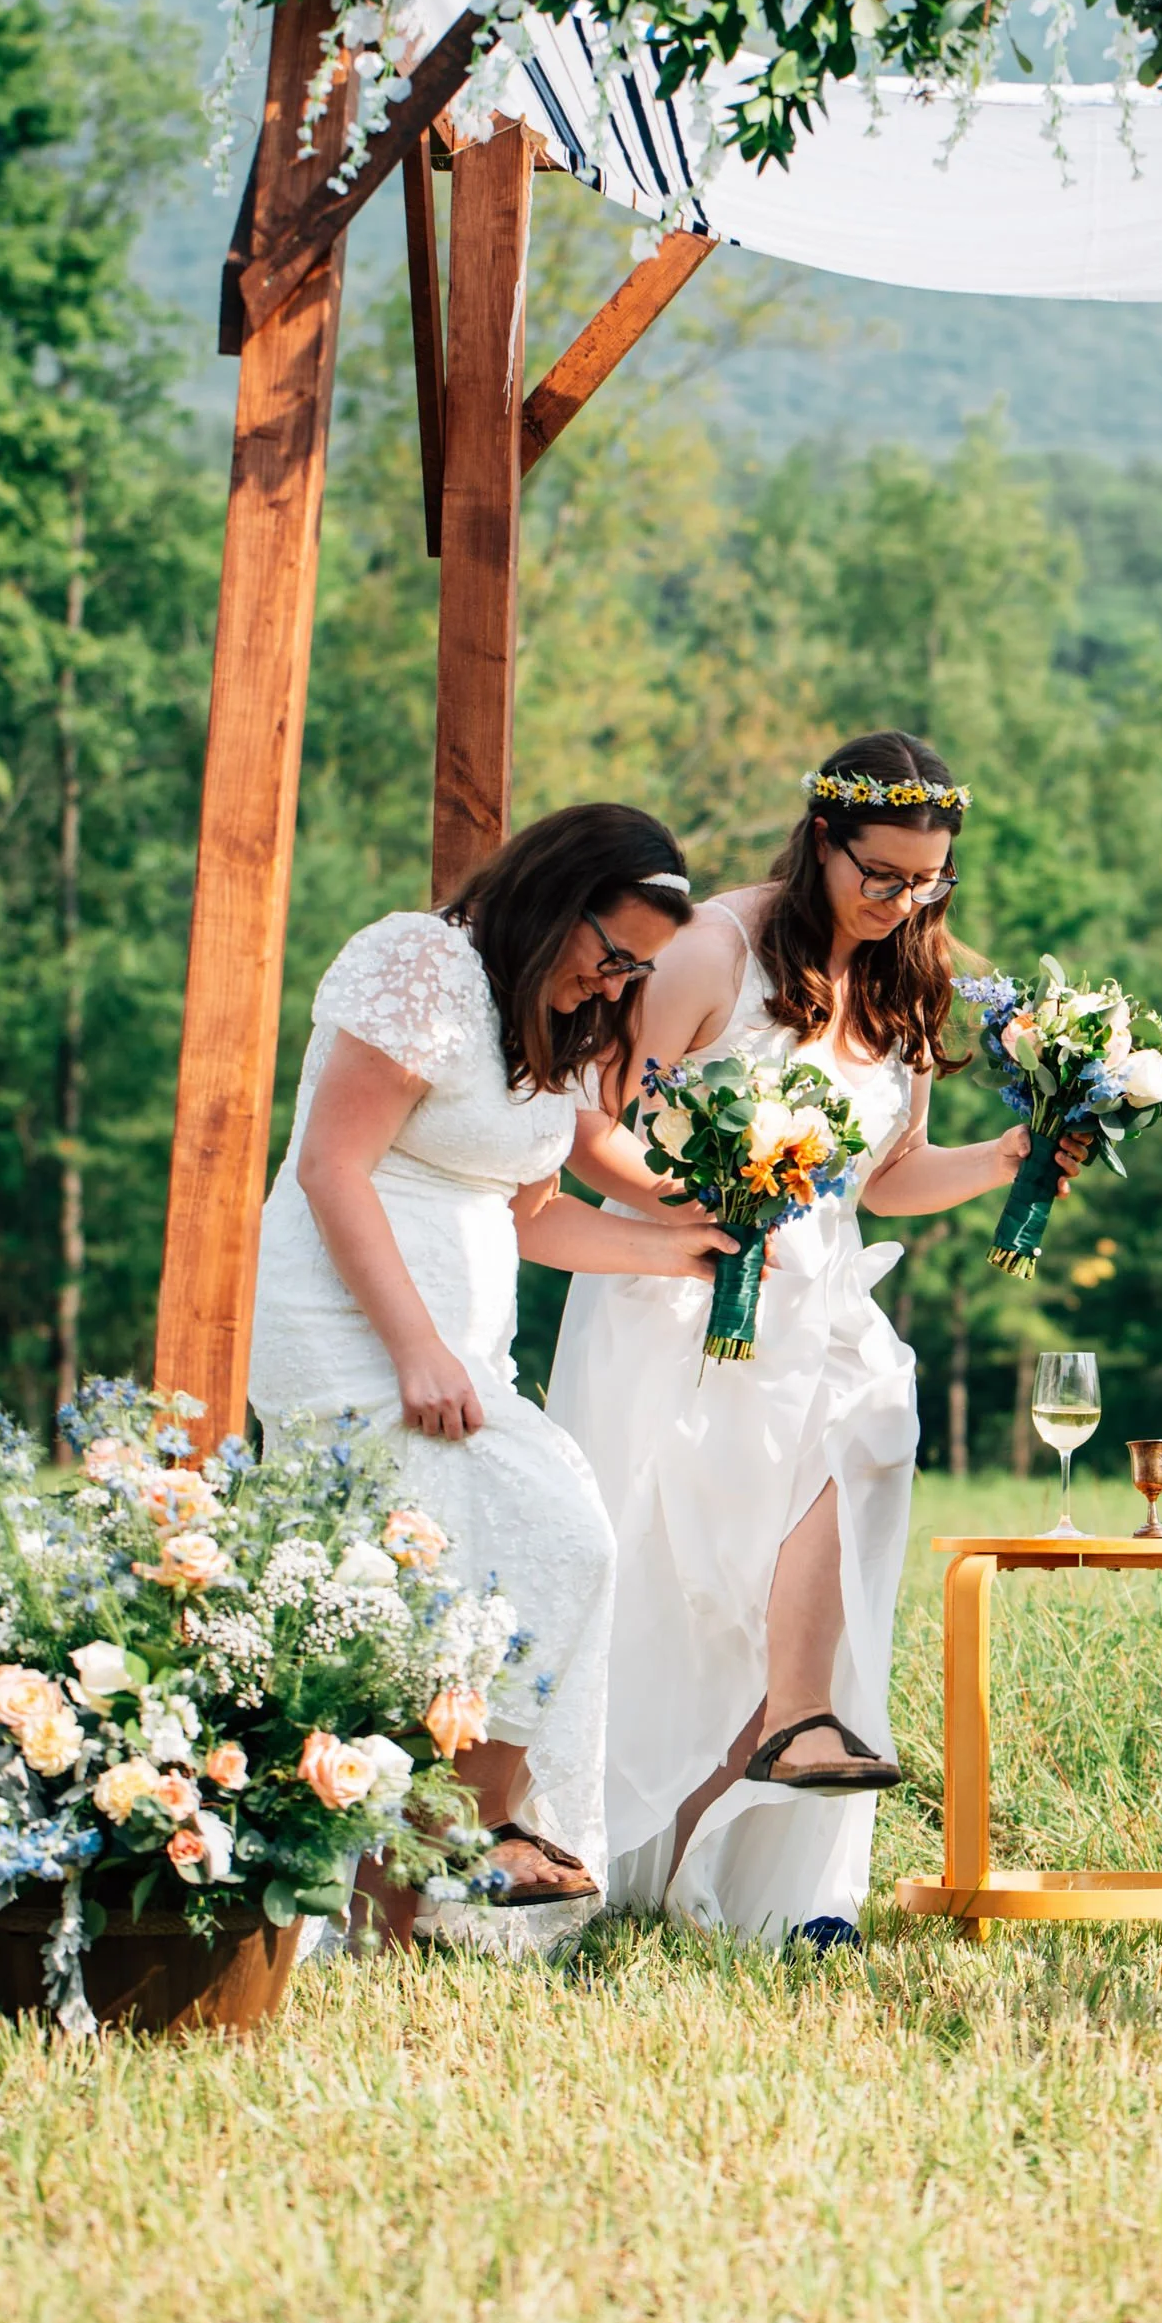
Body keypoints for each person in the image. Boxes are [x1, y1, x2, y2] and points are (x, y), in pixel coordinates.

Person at [550, 731, 1080, 1950]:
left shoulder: (908, 983)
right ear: (821, 841)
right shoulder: (714, 952)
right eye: (881, 875)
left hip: (826, 1299)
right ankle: (667, 1871)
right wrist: (701, 1217)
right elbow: (596, 1128)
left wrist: (1008, 1158)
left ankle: (778, 1866)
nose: (903, 902)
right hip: (687, 1301)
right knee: (694, 1597)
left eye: (928, 881)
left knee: (870, 1429)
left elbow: (886, 1180)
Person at [247, 802, 747, 1948]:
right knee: (489, 1564)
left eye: (640, 968)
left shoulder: (544, 1017)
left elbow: (532, 1217)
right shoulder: (417, 963)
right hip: (352, 1327)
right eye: (612, 952)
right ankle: (460, 1843)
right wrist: (414, 1342)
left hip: (463, 1345)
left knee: (492, 1579)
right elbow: (331, 1168)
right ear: (549, 901)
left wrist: (685, 1245)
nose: (620, 983)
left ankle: (415, 1887)